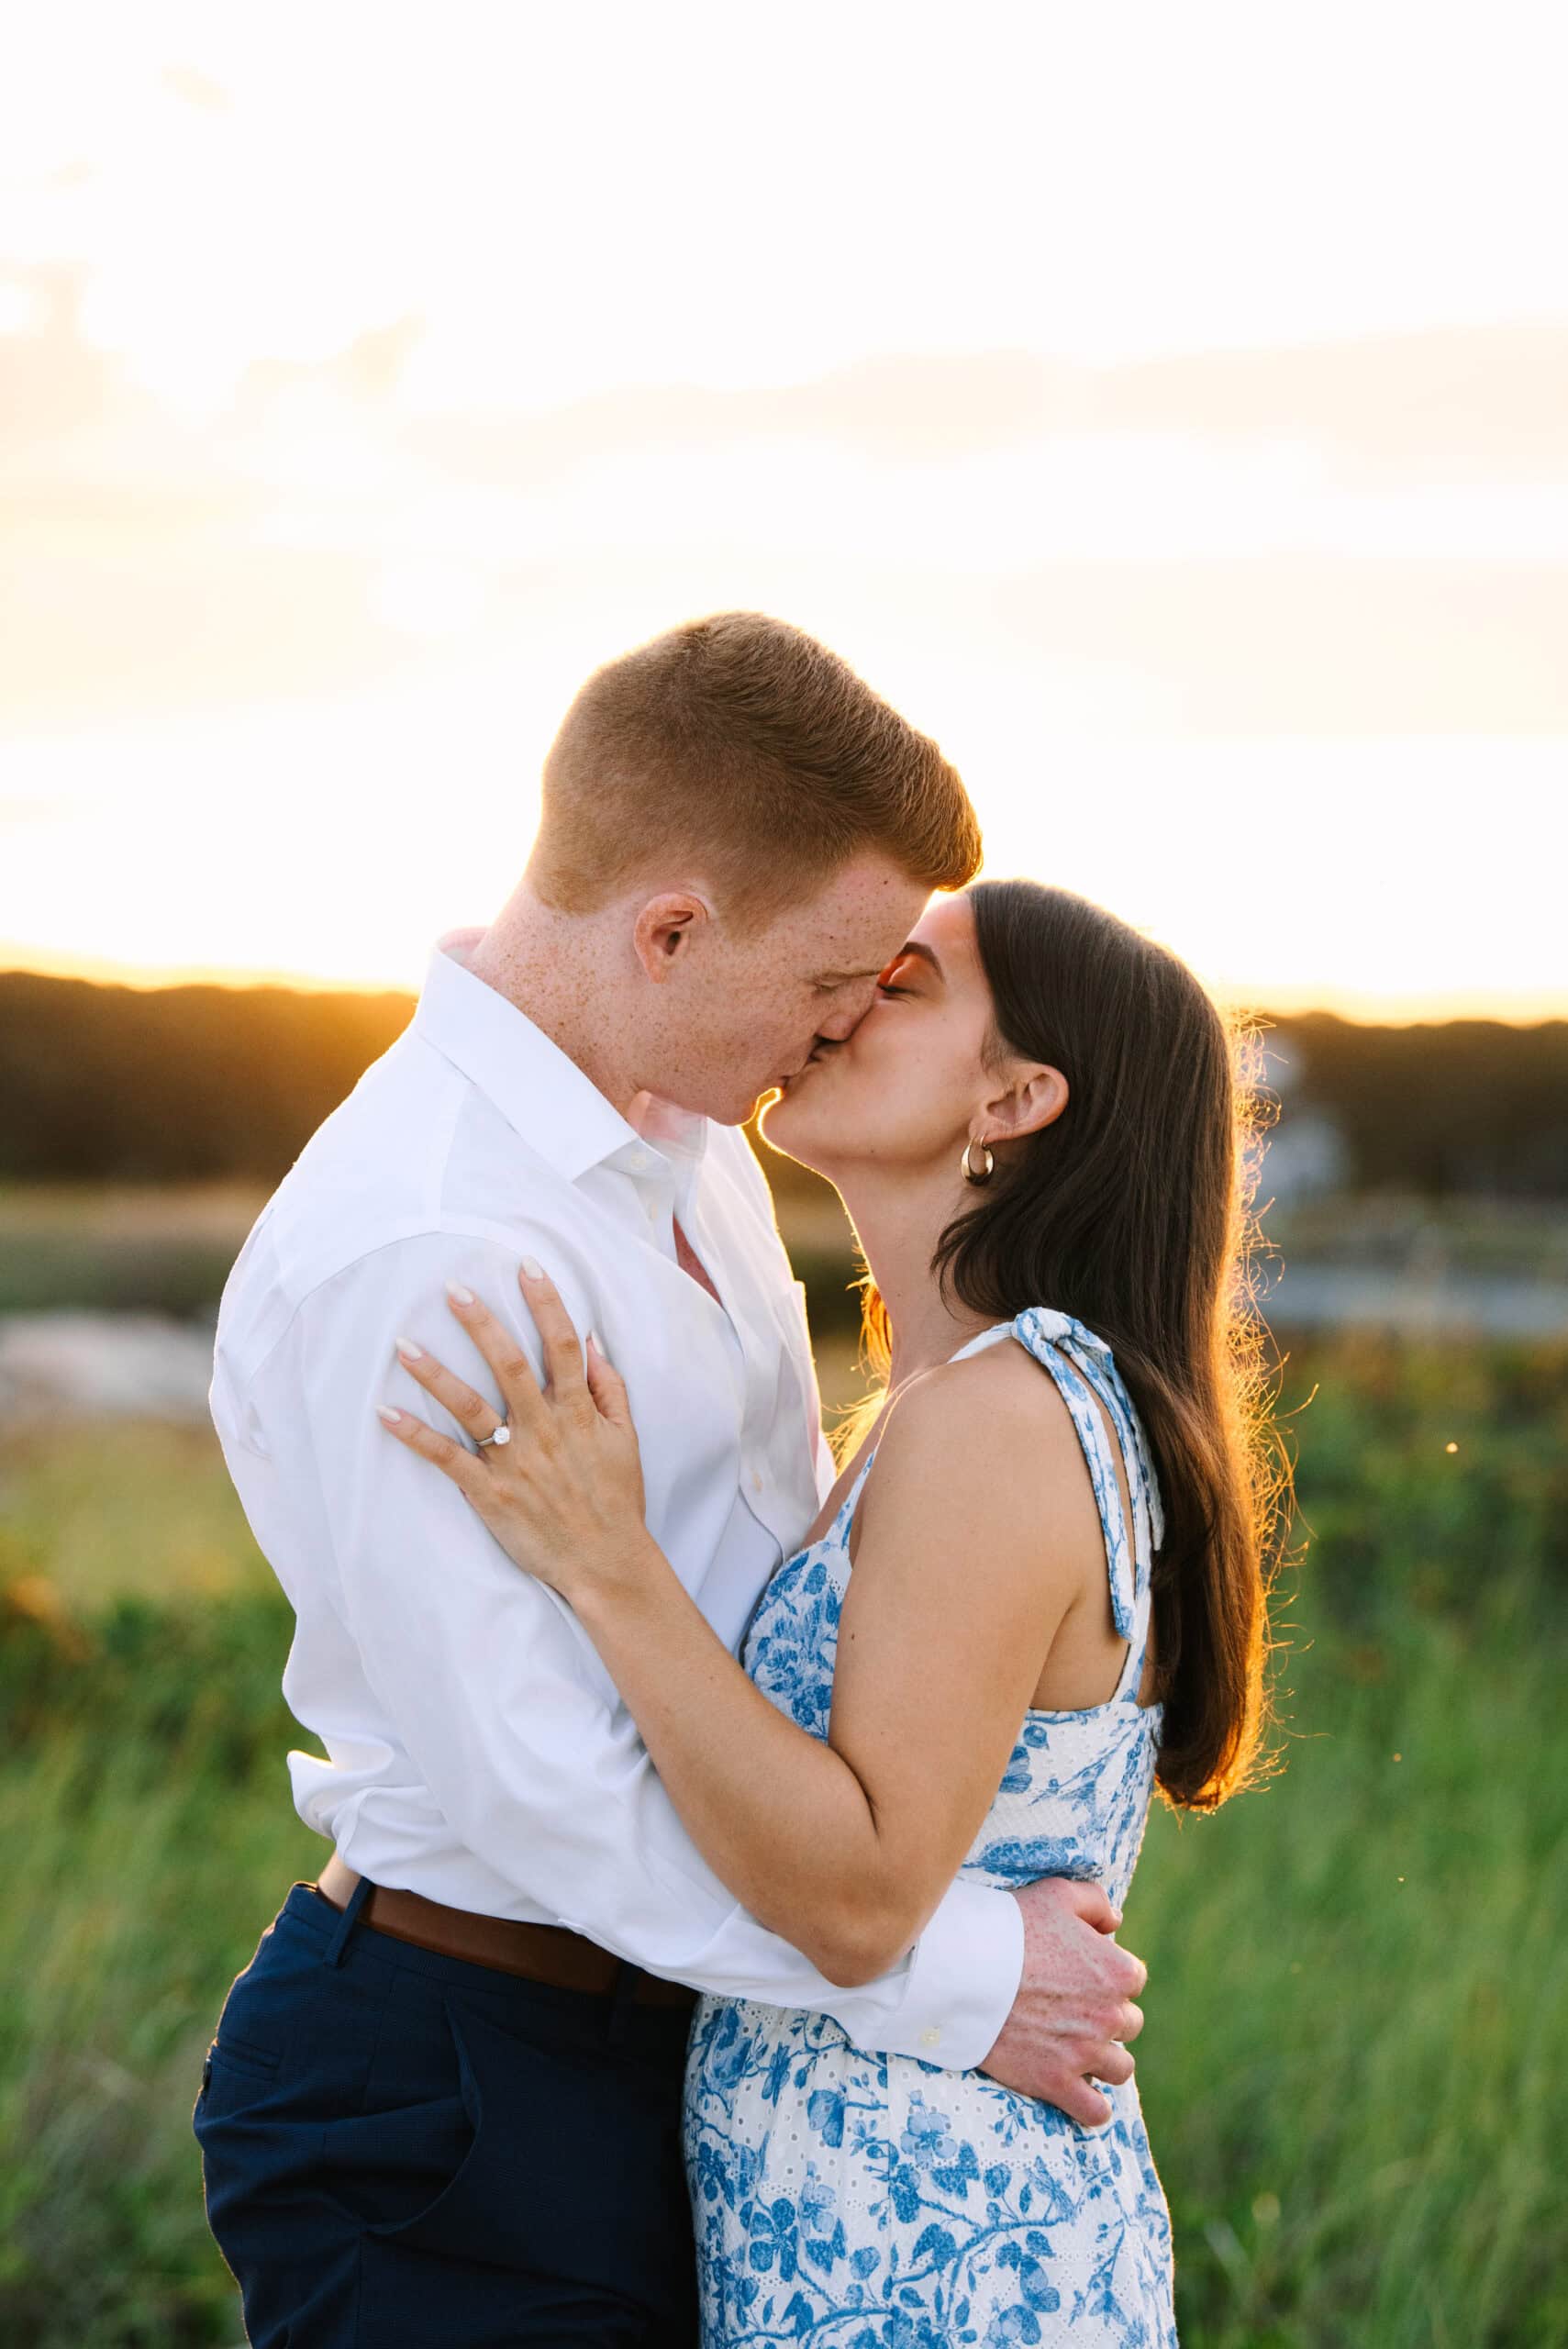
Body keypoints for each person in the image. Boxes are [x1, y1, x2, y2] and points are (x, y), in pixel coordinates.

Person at [194, 614, 1151, 2348]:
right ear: (669, 930)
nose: (847, 1021)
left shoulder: (693, 1144)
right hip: (464, 2074)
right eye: (825, 981)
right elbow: (542, 1792)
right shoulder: (432, 1252)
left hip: (698, 2038)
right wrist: (954, 1978)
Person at [381, 875, 1277, 2343]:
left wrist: (606, 1562)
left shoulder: (997, 1418)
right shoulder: (956, 1403)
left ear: (1017, 1097)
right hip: (871, 2213)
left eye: (905, 984)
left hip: (924, 2247)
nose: (846, 998)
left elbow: (862, 1895)